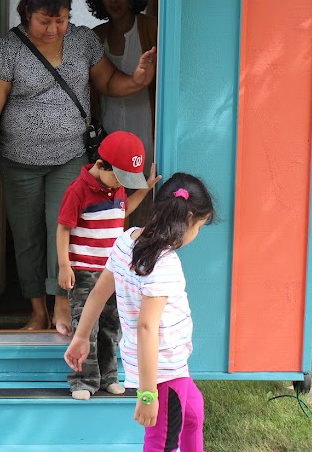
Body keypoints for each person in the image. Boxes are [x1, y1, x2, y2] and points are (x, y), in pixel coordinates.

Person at [0, 0, 157, 336]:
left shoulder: (83, 41)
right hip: (18, 160)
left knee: (65, 228)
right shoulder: (7, 51)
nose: (54, 29)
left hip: (70, 157)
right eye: (45, 21)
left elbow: (107, 82)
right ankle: (36, 311)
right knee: (27, 237)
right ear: (27, 14)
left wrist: (136, 80)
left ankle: (60, 306)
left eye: (61, 20)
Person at [64, 173, 215, 452]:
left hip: (171, 366)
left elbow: (98, 292)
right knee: (161, 443)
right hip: (162, 371)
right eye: (200, 227)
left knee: (193, 415)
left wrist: (81, 337)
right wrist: (147, 394)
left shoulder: (126, 240)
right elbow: (147, 327)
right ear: (189, 218)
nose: (196, 235)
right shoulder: (165, 264)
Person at [56, 130, 161, 400]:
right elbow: (63, 228)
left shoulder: (116, 187)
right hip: (84, 273)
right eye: (119, 176)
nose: (120, 185)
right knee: (86, 328)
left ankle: (109, 377)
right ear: (101, 165)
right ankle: (83, 381)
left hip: (114, 272)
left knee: (111, 327)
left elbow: (123, 209)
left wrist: (145, 188)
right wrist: (64, 265)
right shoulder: (78, 190)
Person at [85, 0, 159, 226]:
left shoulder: (152, 29)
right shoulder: (96, 36)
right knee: (112, 204)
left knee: (146, 200)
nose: (114, 0)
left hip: (147, 129)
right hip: (110, 127)